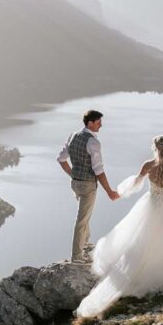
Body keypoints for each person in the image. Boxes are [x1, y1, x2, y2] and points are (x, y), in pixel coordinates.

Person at [74, 135, 163, 318]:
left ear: (155, 148)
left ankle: (134, 271)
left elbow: (136, 182)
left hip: (150, 205)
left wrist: (118, 193)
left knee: (142, 238)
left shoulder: (149, 165)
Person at [58, 109, 121, 264]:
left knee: (84, 214)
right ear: (90, 123)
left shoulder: (73, 136)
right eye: (99, 122)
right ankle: (77, 256)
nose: (101, 125)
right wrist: (109, 191)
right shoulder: (93, 142)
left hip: (75, 183)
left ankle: (84, 245)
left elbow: (61, 159)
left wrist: (73, 174)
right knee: (82, 219)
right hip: (88, 185)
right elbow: (98, 170)